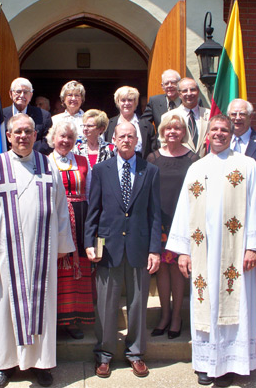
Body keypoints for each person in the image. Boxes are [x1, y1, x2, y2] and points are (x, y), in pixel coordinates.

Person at [166, 114, 256, 387]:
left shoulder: (247, 166)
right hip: (202, 252)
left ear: (231, 133)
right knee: (204, 304)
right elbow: (184, 211)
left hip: (235, 256)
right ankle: (205, 364)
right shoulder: (196, 168)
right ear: (207, 135)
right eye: (214, 129)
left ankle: (232, 363)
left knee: (235, 303)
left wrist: (253, 247)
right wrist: (184, 251)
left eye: (224, 130)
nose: (219, 134)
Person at [0, 114, 74, 388]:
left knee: (42, 309)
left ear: (36, 134)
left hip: (42, 253)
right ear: (8, 136)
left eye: (28, 131)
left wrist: (63, 245)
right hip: (5, 256)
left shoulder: (47, 166)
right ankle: (4, 364)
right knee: (3, 311)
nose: (23, 136)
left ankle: (41, 363)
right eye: (18, 132)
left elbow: (61, 208)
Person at [85, 122, 161, 379]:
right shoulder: (101, 170)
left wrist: (155, 249)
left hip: (140, 246)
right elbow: (93, 210)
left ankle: (136, 353)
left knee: (138, 304)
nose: (126, 140)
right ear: (113, 140)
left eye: (131, 136)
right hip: (108, 245)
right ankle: (104, 354)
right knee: (106, 304)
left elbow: (154, 213)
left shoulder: (149, 170)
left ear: (137, 140)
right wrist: (89, 242)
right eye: (122, 136)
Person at [146, 112, 199, 339]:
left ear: (183, 132)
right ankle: (165, 315)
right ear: (162, 132)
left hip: (184, 222)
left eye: (177, 128)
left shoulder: (193, 159)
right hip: (160, 222)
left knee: (178, 269)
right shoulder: (153, 158)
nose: (172, 132)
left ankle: (177, 316)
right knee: (163, 270)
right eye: (168, 128)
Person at [47, 120, 95, 340]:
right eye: (61, 136)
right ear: (53, 138)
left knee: (77, 274)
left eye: (69, 137)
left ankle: (73, 320)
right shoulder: (45, 162)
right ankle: (54, 321)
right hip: (55, 222)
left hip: (81, 222)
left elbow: (92, 192)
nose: (65, 141)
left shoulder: (83, 162)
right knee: (55, 271)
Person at [227, 98, 256, 187]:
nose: (237, 118)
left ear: (251, 117)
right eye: (233, 114)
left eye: (242, 114)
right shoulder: (219, 143)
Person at [104, 86, 157, 159]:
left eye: (130, 100)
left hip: (141, 168)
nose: (126, 103)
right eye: (123, 100)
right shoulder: (109, 124)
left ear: (135, 103)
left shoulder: (146, 125)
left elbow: (153, 151)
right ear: (118, 102)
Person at [3, 77, 52, 155]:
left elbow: (47, 142)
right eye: (18, 92)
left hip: (34, 160)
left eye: (25, 92)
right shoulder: (0, 115)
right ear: (10, 94)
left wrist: (24, 150)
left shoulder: (44, 116)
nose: (22, 95)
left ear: (31, 95)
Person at [172, 77, 210, 157]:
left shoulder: (210, 114)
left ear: (198, 91)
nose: (189, 93)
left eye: (192, 90)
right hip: (180, 164)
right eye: (185, 91)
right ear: (179, 94)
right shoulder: (169, 117)